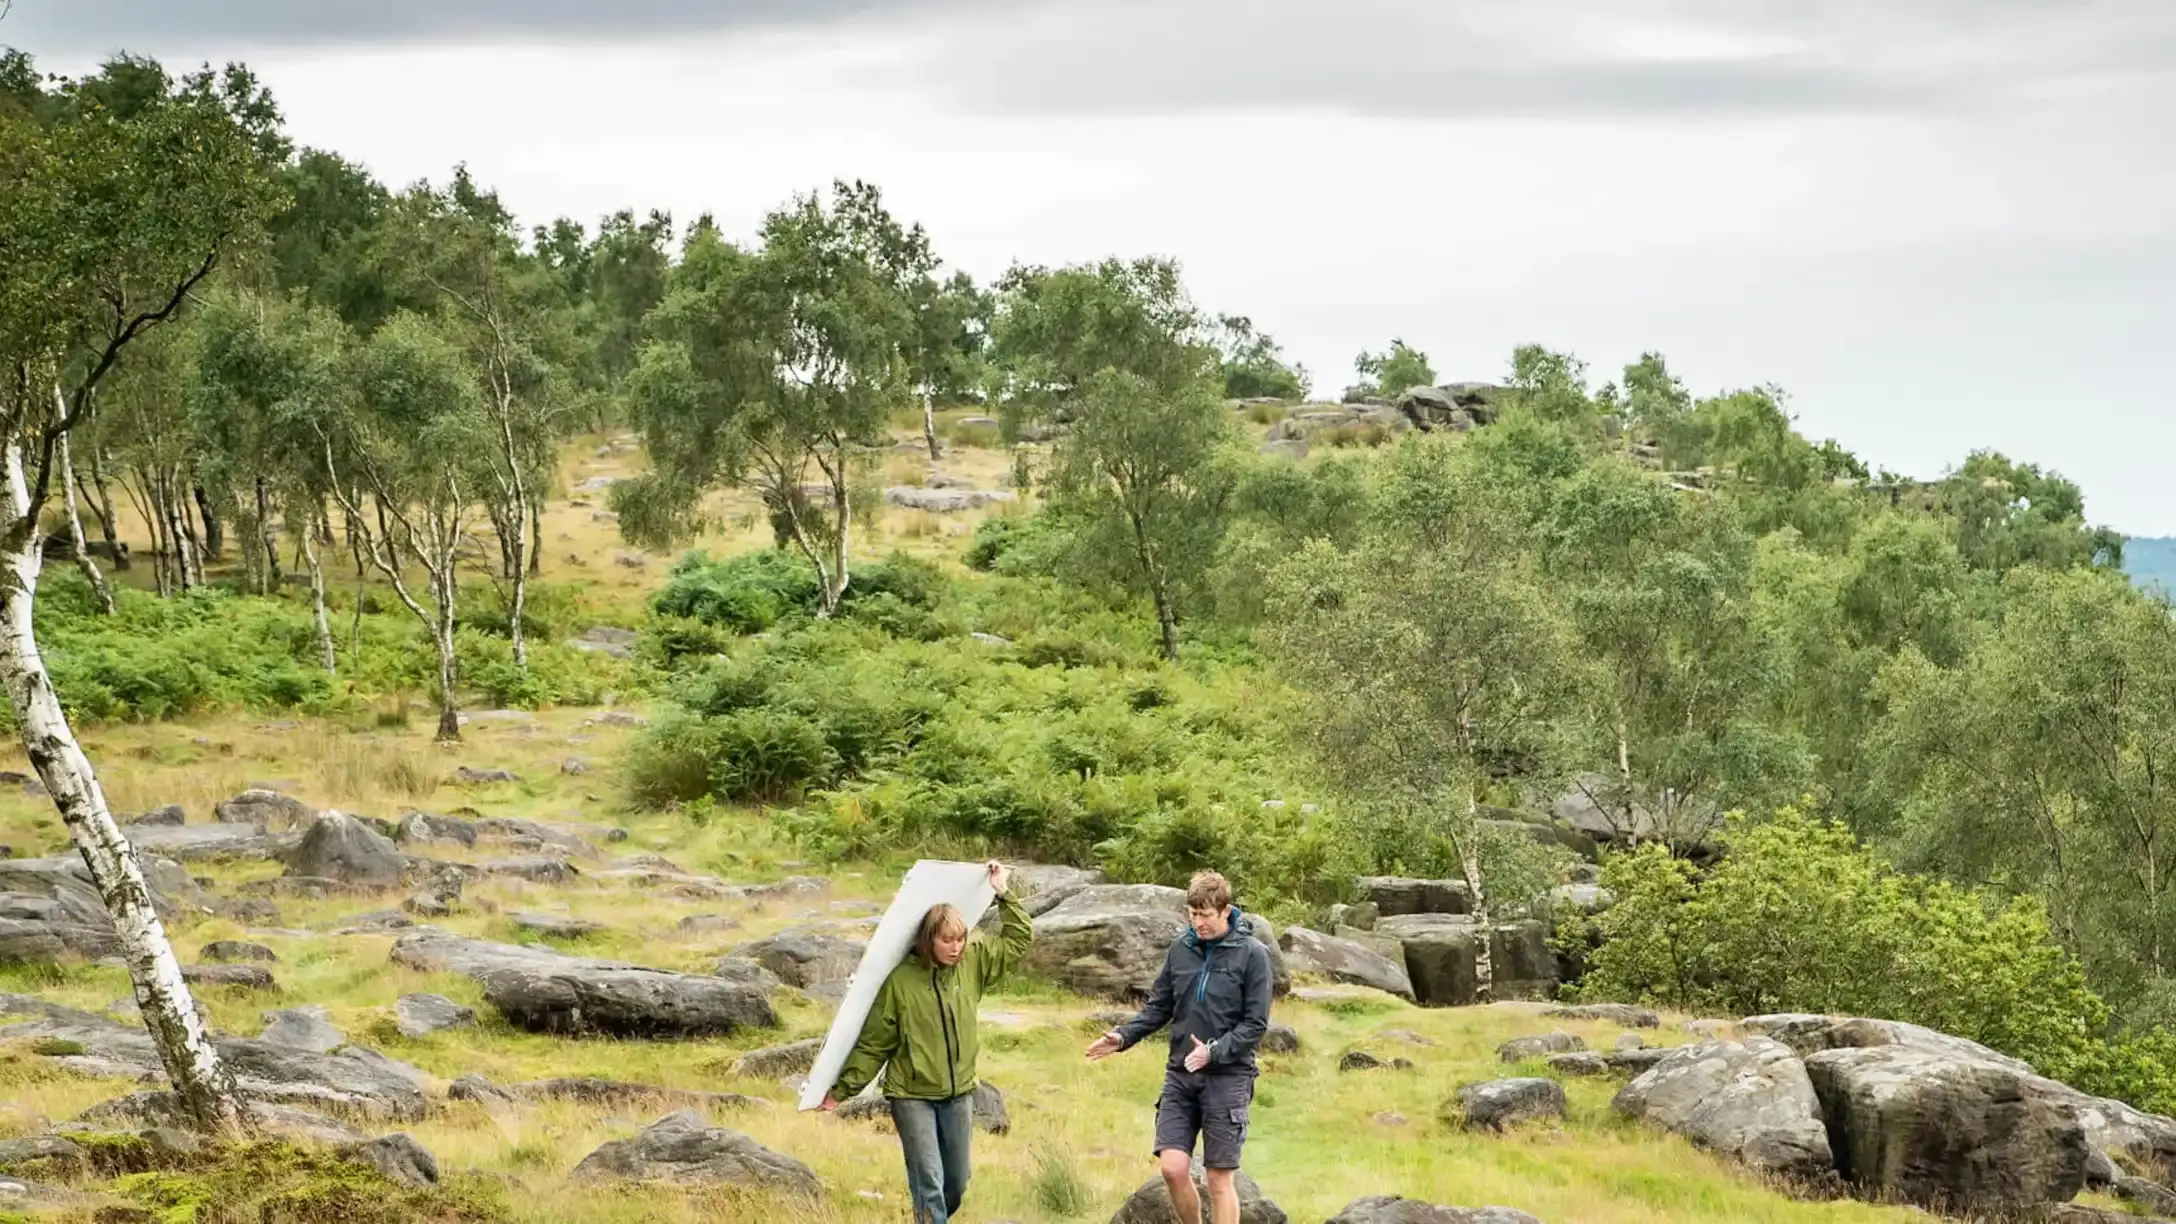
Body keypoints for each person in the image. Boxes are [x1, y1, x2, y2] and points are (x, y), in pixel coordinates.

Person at [824, 860, 1032, 1224]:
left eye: (961, 939)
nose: (956, 948)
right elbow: (875, 1044)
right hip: (912, 1096)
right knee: (929, 1183)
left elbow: (1018, 939)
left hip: (959, 1094)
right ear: (928, 939)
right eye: (946, 940)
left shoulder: (973, 965)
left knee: (957, 1183)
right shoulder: (900, 983)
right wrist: (841, 1090)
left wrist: (1003, 893)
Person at [1085, 869, 1273, 1224]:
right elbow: (1159, 1008)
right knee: (1172, 1168)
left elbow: (1255, 1025)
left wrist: (1213, 1051)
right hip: (1181, 1074)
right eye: (1193, 914)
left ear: (1226, 911)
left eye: (1206, 915)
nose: (1198, 923)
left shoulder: (1253, 955)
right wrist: (1123, 1036)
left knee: (1219, 1177)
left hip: (1228, 1077)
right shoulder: (1180, 950)